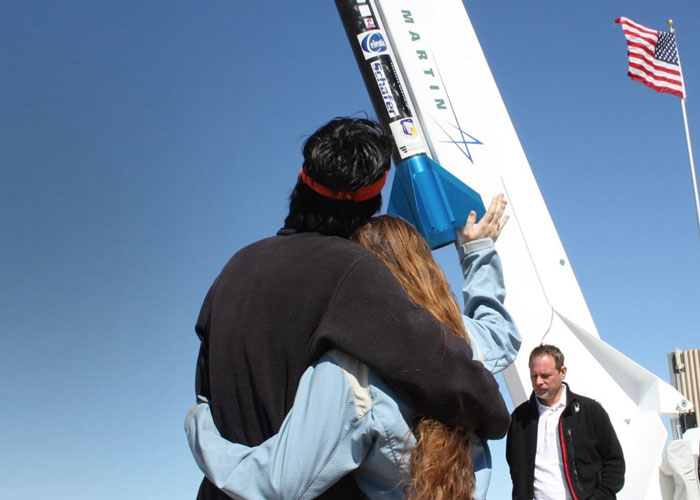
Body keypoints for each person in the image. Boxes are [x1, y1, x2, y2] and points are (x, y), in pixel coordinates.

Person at [194, 117, 511, 499]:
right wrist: (494, 412)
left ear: (300, 179)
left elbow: (206, 393)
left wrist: (202, 436)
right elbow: (440, 365)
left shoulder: (232, 272)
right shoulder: (353, 274)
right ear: (372, 203)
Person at [506, 344, 625, 500]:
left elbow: (614, 463)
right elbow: (516, 468)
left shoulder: (590, 411)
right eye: (533, 376)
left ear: (562, 372)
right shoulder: (519, 418)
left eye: (545, 375)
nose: (539, 382)